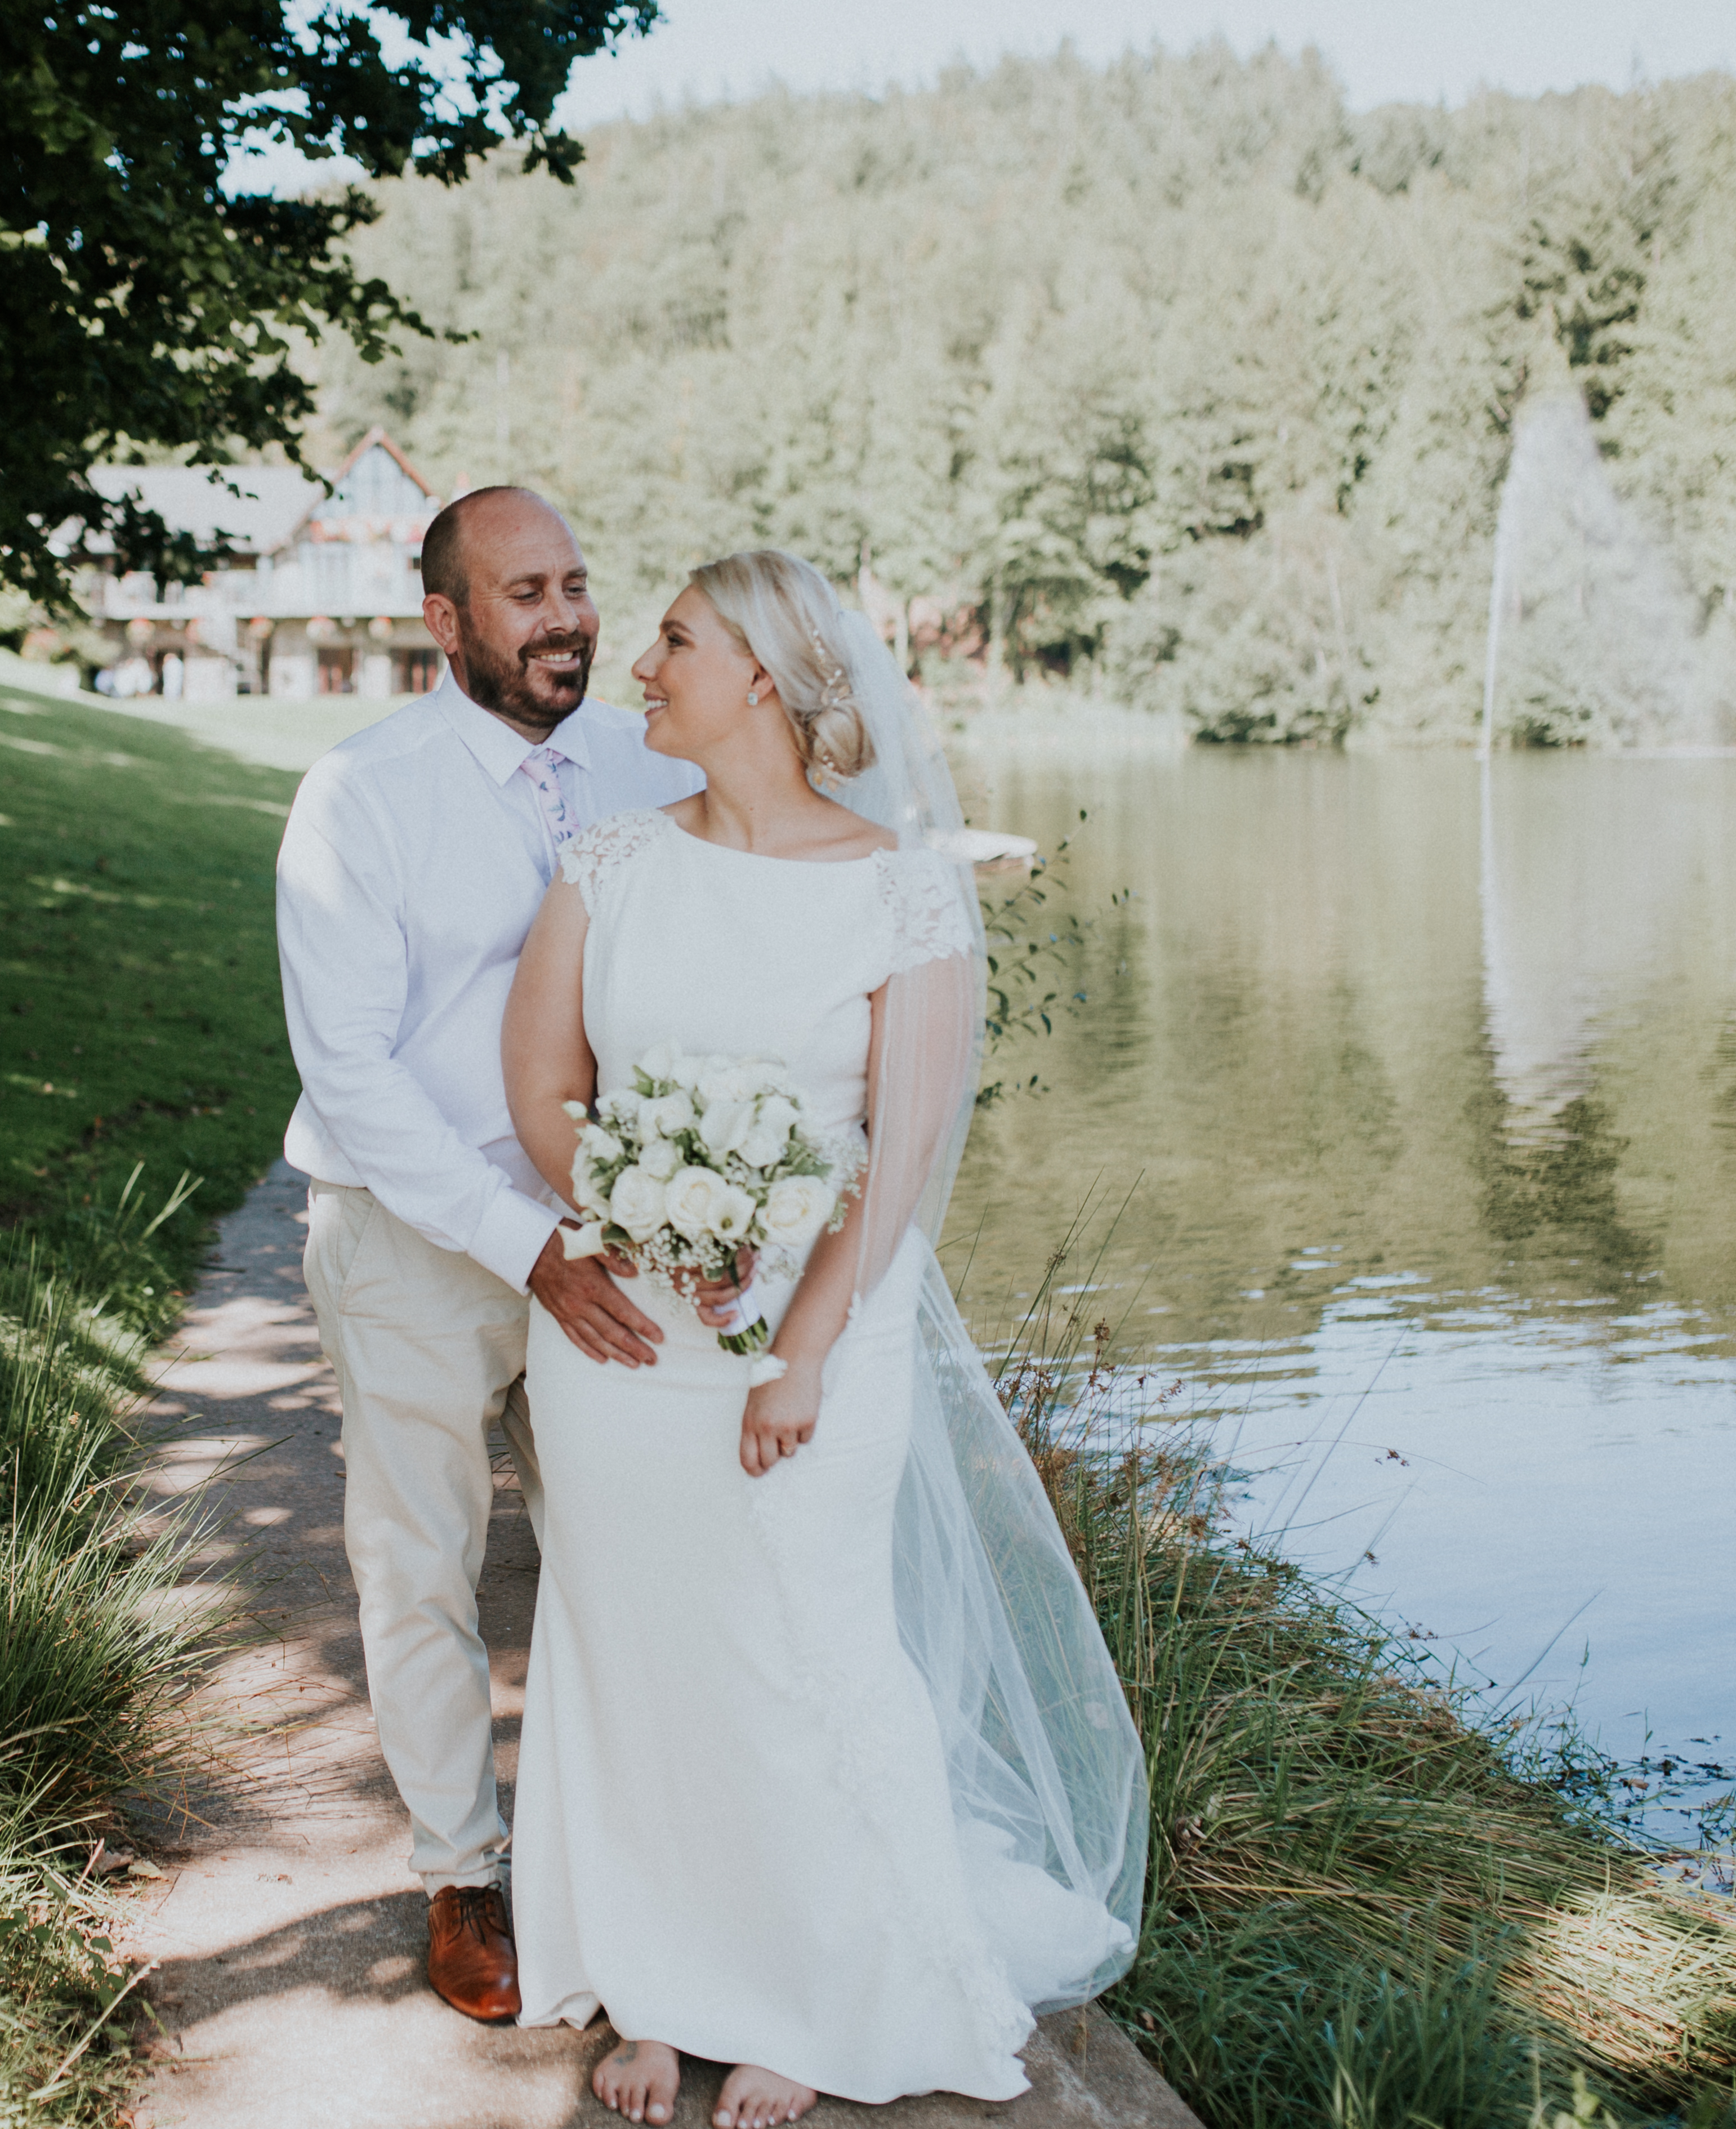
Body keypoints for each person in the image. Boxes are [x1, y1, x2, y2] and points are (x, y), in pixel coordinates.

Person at [500, 551, 1150, 2127]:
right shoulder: (611, 863)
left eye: (676, 641)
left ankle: (811, 1995)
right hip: (623, 1344)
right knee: (634, 1644)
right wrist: (647, 1215)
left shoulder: (900, 892)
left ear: (767, 680)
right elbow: (542, 1095)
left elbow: (902, 1158)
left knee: (800, 1647)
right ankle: (658, 1983)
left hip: (813, 1341)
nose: (640, 664)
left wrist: (796, 1343)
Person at [274, 486, 703, 2021]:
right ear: (445, 622)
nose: (566, 618)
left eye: (578, 584)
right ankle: (463, 1871)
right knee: (422, 1559)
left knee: (635, 1541)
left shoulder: (650, 766)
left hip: (617, 1232)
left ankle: (641, 1856)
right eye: (525, 593)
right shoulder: (359, 801)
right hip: (418, 1234)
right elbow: (353, 1076)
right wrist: (526, 1245)